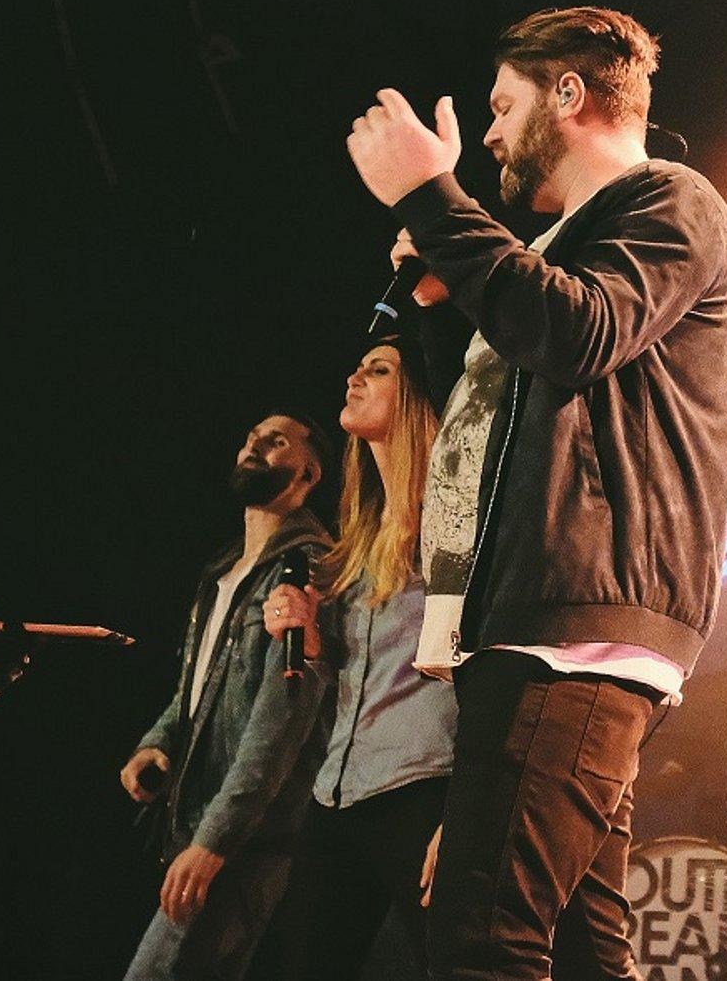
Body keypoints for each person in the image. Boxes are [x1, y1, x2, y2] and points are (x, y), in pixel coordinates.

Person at [344, 5, 727, 980]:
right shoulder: (558, 251)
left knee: (483, 943)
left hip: (570, 630)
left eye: (501, 104)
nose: (485, 134)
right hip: (544, 628)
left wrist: (435, 197)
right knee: (581, 950)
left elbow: (578, 335)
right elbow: (502, 425)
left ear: (567, 93)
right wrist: (452, 293)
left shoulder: (669, 201)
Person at [262, 333, 457, 980]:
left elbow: (489, 671)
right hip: (337, 793)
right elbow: (337, 680)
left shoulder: (455, 527)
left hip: (425, 787)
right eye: (357, 366)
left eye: (378, 370)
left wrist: (468, 810)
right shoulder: (353, 546)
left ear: (419, 401)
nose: (354, 376)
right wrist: (309, 643)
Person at [118, 414, 332, 980]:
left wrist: (216, 842)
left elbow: (282, 721)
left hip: (245, 841)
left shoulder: (308, 568)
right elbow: (198, 686)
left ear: (309, 472)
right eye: (251, 437)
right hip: (192, 823)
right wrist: (158, 743)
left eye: (276, 441)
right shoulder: (223, 572)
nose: (253, 445)